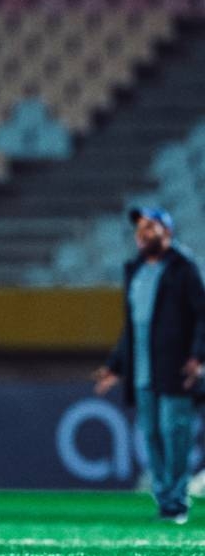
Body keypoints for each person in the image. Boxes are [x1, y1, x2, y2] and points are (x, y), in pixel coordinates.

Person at [94, 207, 205, 524]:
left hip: (175, 368)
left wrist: (197, 356)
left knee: (175, 434)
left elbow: (202, 315)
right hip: (143, 370)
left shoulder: (184, 268)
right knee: (152, 435)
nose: (142, 233)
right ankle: (164, 499)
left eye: (150, 227)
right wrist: (115, 366)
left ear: (167, 232)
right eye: (139, 228)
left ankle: (177, 501)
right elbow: (133, 326)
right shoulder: (136, 270)